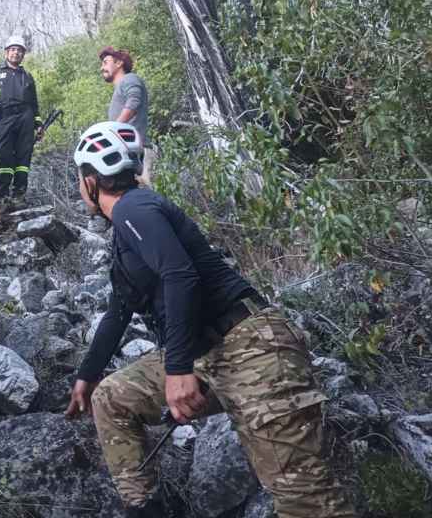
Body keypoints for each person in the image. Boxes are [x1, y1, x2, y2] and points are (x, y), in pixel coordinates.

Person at [64, 121, 356, 518]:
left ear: (91, 180)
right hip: (208, 352)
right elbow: (120, 308)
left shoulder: (135, 206)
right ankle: (146, 509)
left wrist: (178, 368)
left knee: (305, 501)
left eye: (80, 179)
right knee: (112, 397)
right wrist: (88, 373)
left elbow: (180, 275)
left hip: (253, 349)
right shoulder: (126, 231)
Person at [0, 35, 42, 212]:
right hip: (4, 117)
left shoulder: (27, 76)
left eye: (19, 50)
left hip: (26, 117)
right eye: (13, 49)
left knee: (24, 157)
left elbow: (34, 102)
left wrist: (38, 124)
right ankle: (1, 198)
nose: (16, 53)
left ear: (23, 54)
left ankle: (19, 195)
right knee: (4, 155)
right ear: (6, 52)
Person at [99, 47, 155, 187]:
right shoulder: (121, 86)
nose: (102, 68)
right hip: (129, 153)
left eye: (105, 62)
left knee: (143, 196)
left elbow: (134, 102)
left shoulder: (129, 78)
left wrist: (112, 130)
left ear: (119, 63)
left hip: (137, 154)